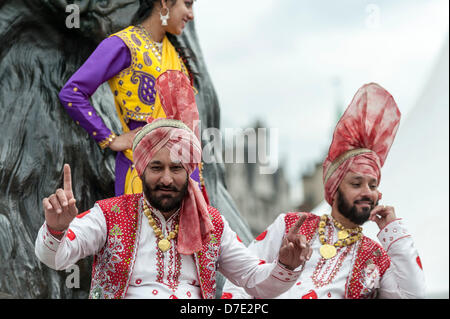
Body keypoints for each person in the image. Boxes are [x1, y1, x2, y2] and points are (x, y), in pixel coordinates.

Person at [35, 71, 313, 299]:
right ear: (141, 170)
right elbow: (55, 258)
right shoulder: (109, 215)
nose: (166, 179)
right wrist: (56, 229)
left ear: (189, 171)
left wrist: (286, 265)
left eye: (177, 168)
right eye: (156, 167)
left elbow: (256, 282)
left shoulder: (212, 225)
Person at [221, 83, 426, 299]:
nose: (367, 192)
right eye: (356, 184)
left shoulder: (376, 256)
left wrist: (394, 232)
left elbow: (414, 295)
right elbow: (240, 281)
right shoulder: (291, 225)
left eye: (373, 185)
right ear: (334, 189)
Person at [58, 0, 205, 197]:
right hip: (139, 171)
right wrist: (110, 139)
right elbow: (72, 93)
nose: (191, 14)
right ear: (164, 3)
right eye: (187, 4)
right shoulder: (124, 44)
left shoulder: (177, 57)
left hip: (182, 175)